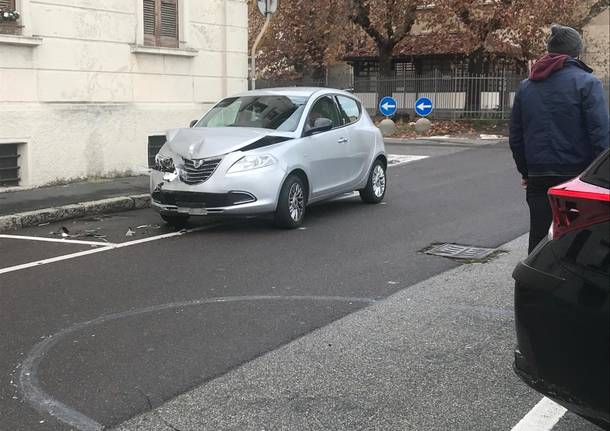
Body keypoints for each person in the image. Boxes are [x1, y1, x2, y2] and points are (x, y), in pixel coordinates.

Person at [509, 24, 610, 253]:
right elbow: (600, 135)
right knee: (577, 237)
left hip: (538, 174)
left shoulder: (527, 86)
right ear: (576, 51)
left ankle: (534, 282)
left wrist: (527, 172)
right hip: (576, 175)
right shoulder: (587, 83)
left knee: (539, 236)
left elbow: (516, 136)